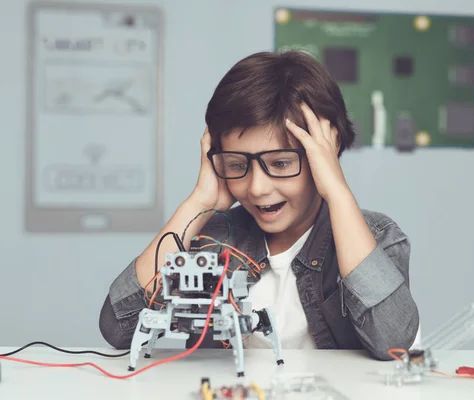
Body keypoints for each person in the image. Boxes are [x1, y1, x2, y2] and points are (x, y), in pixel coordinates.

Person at [99, 50, 419, 360]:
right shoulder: (210, 238)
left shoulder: (376, 237)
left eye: (280, 163)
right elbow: (117, 329)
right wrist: (200, 200)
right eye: (237, 165)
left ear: (323, 155)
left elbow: (393, 343)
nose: (257, 188)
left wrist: (337, 191)